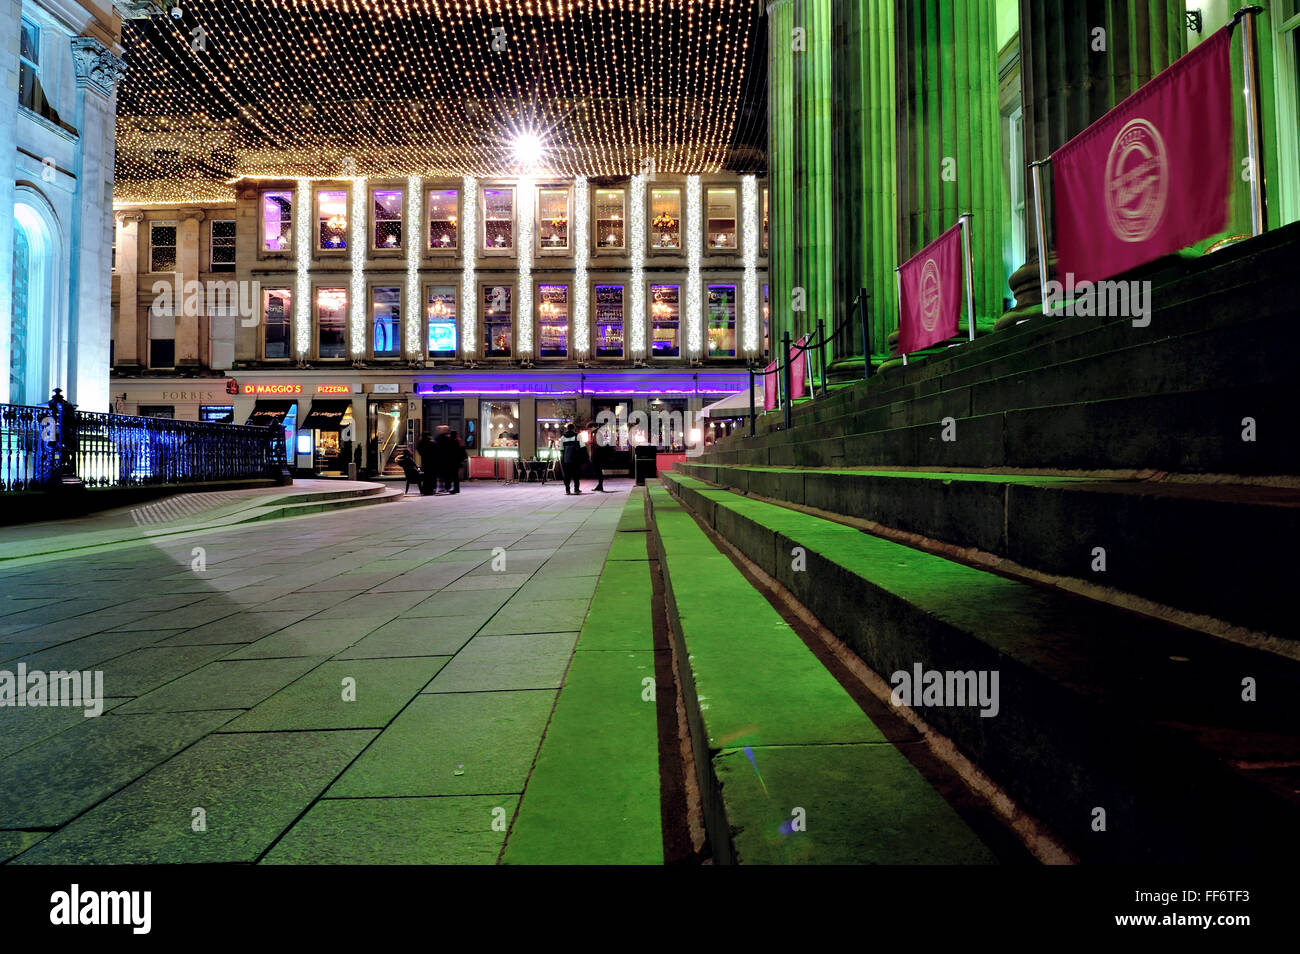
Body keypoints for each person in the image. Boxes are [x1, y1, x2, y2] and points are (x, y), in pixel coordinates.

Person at [559, 423, 587, 495]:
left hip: (566, 459)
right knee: (576, 474)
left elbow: (561, 449)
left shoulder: (563, 437)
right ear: (574, 428)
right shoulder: (577, 436)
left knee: (567, 475)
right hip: (575, 458)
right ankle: (576, 489)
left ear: (567, 428)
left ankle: (567, 490)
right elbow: (582, 446)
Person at [441, 429, 466, 494]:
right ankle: (456, 488)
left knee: (452, 475)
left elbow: (448, 451)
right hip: (456, 461)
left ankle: (454, 488)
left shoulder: (452, 441)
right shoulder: (459, 441)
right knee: (455, 476)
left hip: (451, 461)